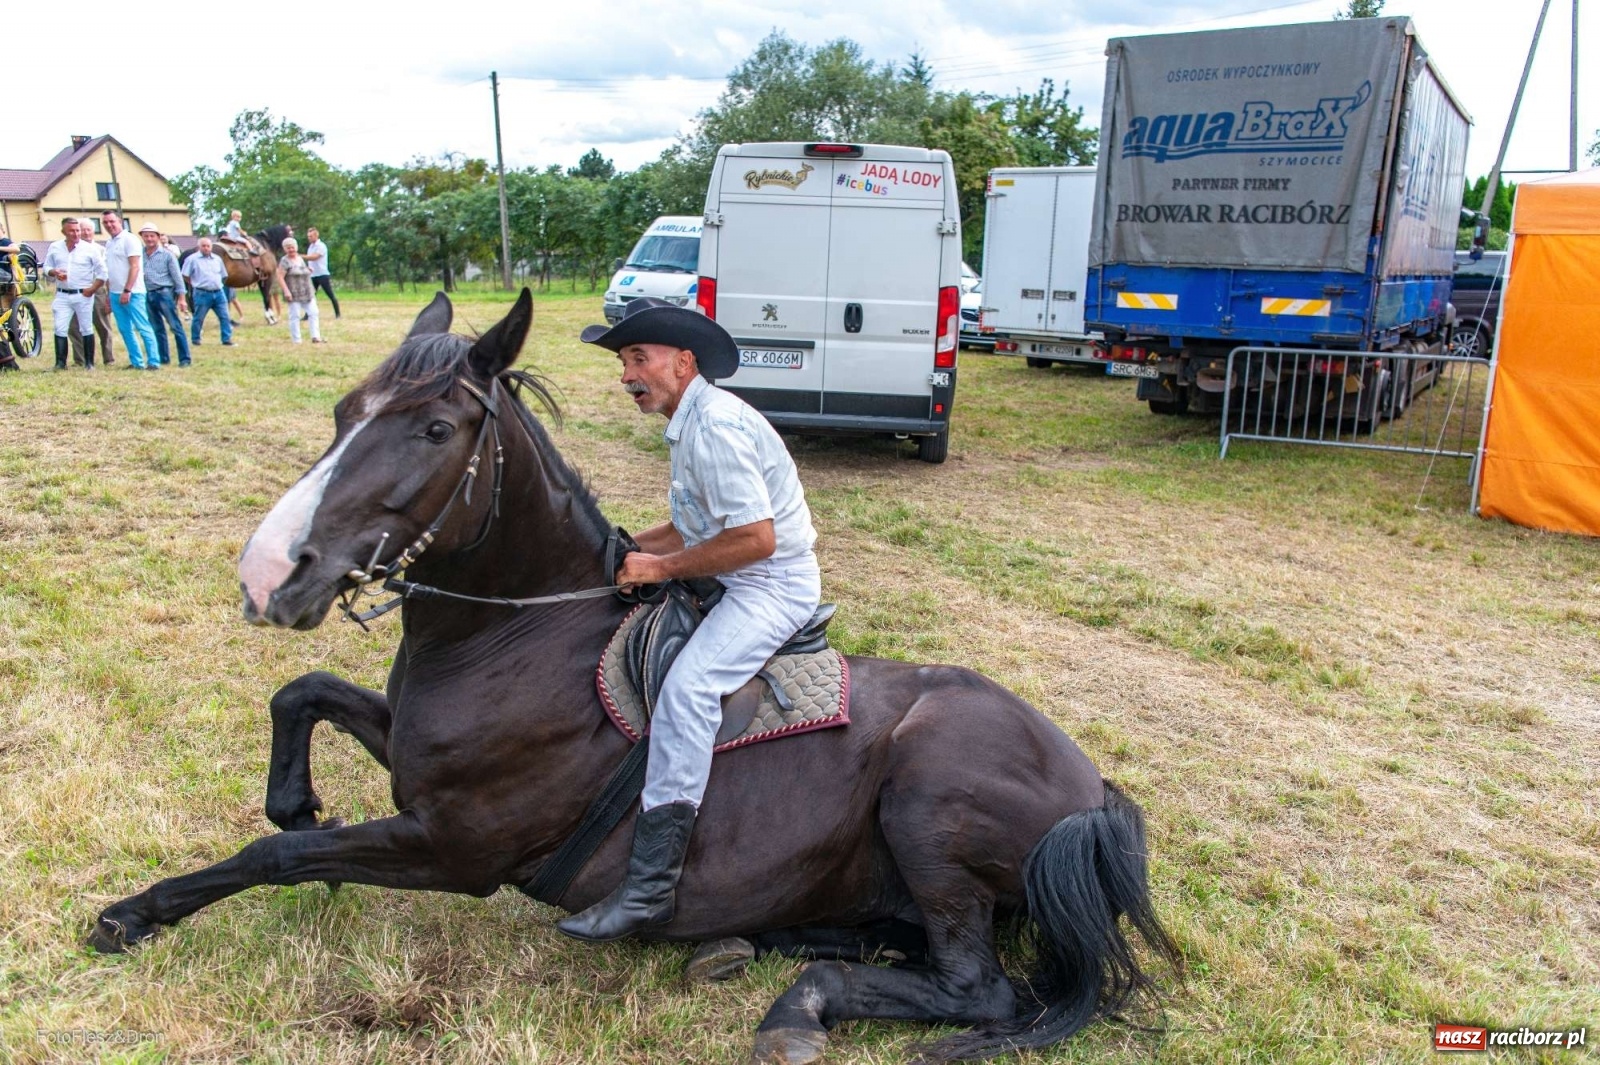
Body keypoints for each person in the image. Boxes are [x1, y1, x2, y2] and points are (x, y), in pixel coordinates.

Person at [556, 297, 821, 943]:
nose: (627, 375)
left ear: (684, 360)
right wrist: (615, 550)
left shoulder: (717, 428)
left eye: (638, 358)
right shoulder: (690, 420)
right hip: (731, 569)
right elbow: (691, 525)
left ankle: (649, 887)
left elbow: (756, 538)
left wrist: (658, 569)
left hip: (769, 586)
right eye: (624, 362)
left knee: (689, 690)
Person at [42, 218, 108, 370]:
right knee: (60, 327)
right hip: (62, 293)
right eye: (71, 231)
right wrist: (54, 272)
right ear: (63, 231)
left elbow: (103, 273)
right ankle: (60, 362)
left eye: (77, 230)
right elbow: (47, 266)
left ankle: (89, 363)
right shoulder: (55, 247)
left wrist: (92, 289)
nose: (76, 233)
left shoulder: (90, 249)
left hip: (83, 293)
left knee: (86, 327)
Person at [100, 211, 161, 370]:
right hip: (115, 292)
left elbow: (134, 266)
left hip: (133, 292)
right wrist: (109, 295)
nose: (109, 225)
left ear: (119, 221)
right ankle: (136, 362)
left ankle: (153, 361)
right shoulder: (109, 243)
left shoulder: (130, 240)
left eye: (112, 221)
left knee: (142, 327)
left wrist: (127, 290)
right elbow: (110, 271)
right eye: (105, 222)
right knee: (125, 329)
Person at [139, 224, 190, 367]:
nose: (149, 239)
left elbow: (177, 277)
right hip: (147, 294)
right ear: (142, 237)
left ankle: (184, 358)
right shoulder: (140, 254)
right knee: (157, 328)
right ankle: (164, 358)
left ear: (157, 237)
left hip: (164, 293)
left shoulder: (167, 255)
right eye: (146, 236)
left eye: (152, 236)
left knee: (175, 326)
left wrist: (181, 298)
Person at [68, 218, 116, 367]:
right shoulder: (72, 250)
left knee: (103, 325)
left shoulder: (101, 250)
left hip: (98, 290)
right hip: (78, 291)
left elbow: (108, 274)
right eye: (83, 230)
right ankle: (80, 359)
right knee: (75, 327)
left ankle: (109, 359)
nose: (86, 232)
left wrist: (109, 294)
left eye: (89, 229)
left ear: (93, 231)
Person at [182, 238, 234, 346]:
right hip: (202, 293)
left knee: (225, 316)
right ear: (199, 247)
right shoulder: (192, 259)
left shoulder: (217, 259)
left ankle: (226, 339)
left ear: (211, 247)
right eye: (203, 246)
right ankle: (195, 339)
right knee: (199, 317)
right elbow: (185, 275)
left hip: (218, 292)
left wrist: (218, 284)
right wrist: (195, 283)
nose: (206, 248)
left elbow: (224, 275)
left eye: (208, 246)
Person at [275, 237, 322, 344]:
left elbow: (302, 269)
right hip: (293, 292)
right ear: (285, 249)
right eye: (288, 248)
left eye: (292, 247)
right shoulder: (284, 261)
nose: (291, 250)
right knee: (295, 315)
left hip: (306, 290)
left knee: (314, 312)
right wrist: (286, 291)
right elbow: (280, 277)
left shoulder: (300, 258)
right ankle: (296, 340)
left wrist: (308, 270)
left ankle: (316, 337)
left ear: (296, 247)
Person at [303, 226, 340, 319]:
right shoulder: (310, 247)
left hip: (322, 274)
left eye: (310, 236)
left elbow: (314, 257)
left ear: (316, 235)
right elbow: (310, 260)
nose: (309, 238)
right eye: (308, 236)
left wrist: (300, 256)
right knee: (310, 296)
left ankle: (338, 314)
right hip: (313, 275)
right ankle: (307, 315)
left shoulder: (321, 246)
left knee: (330, 294)